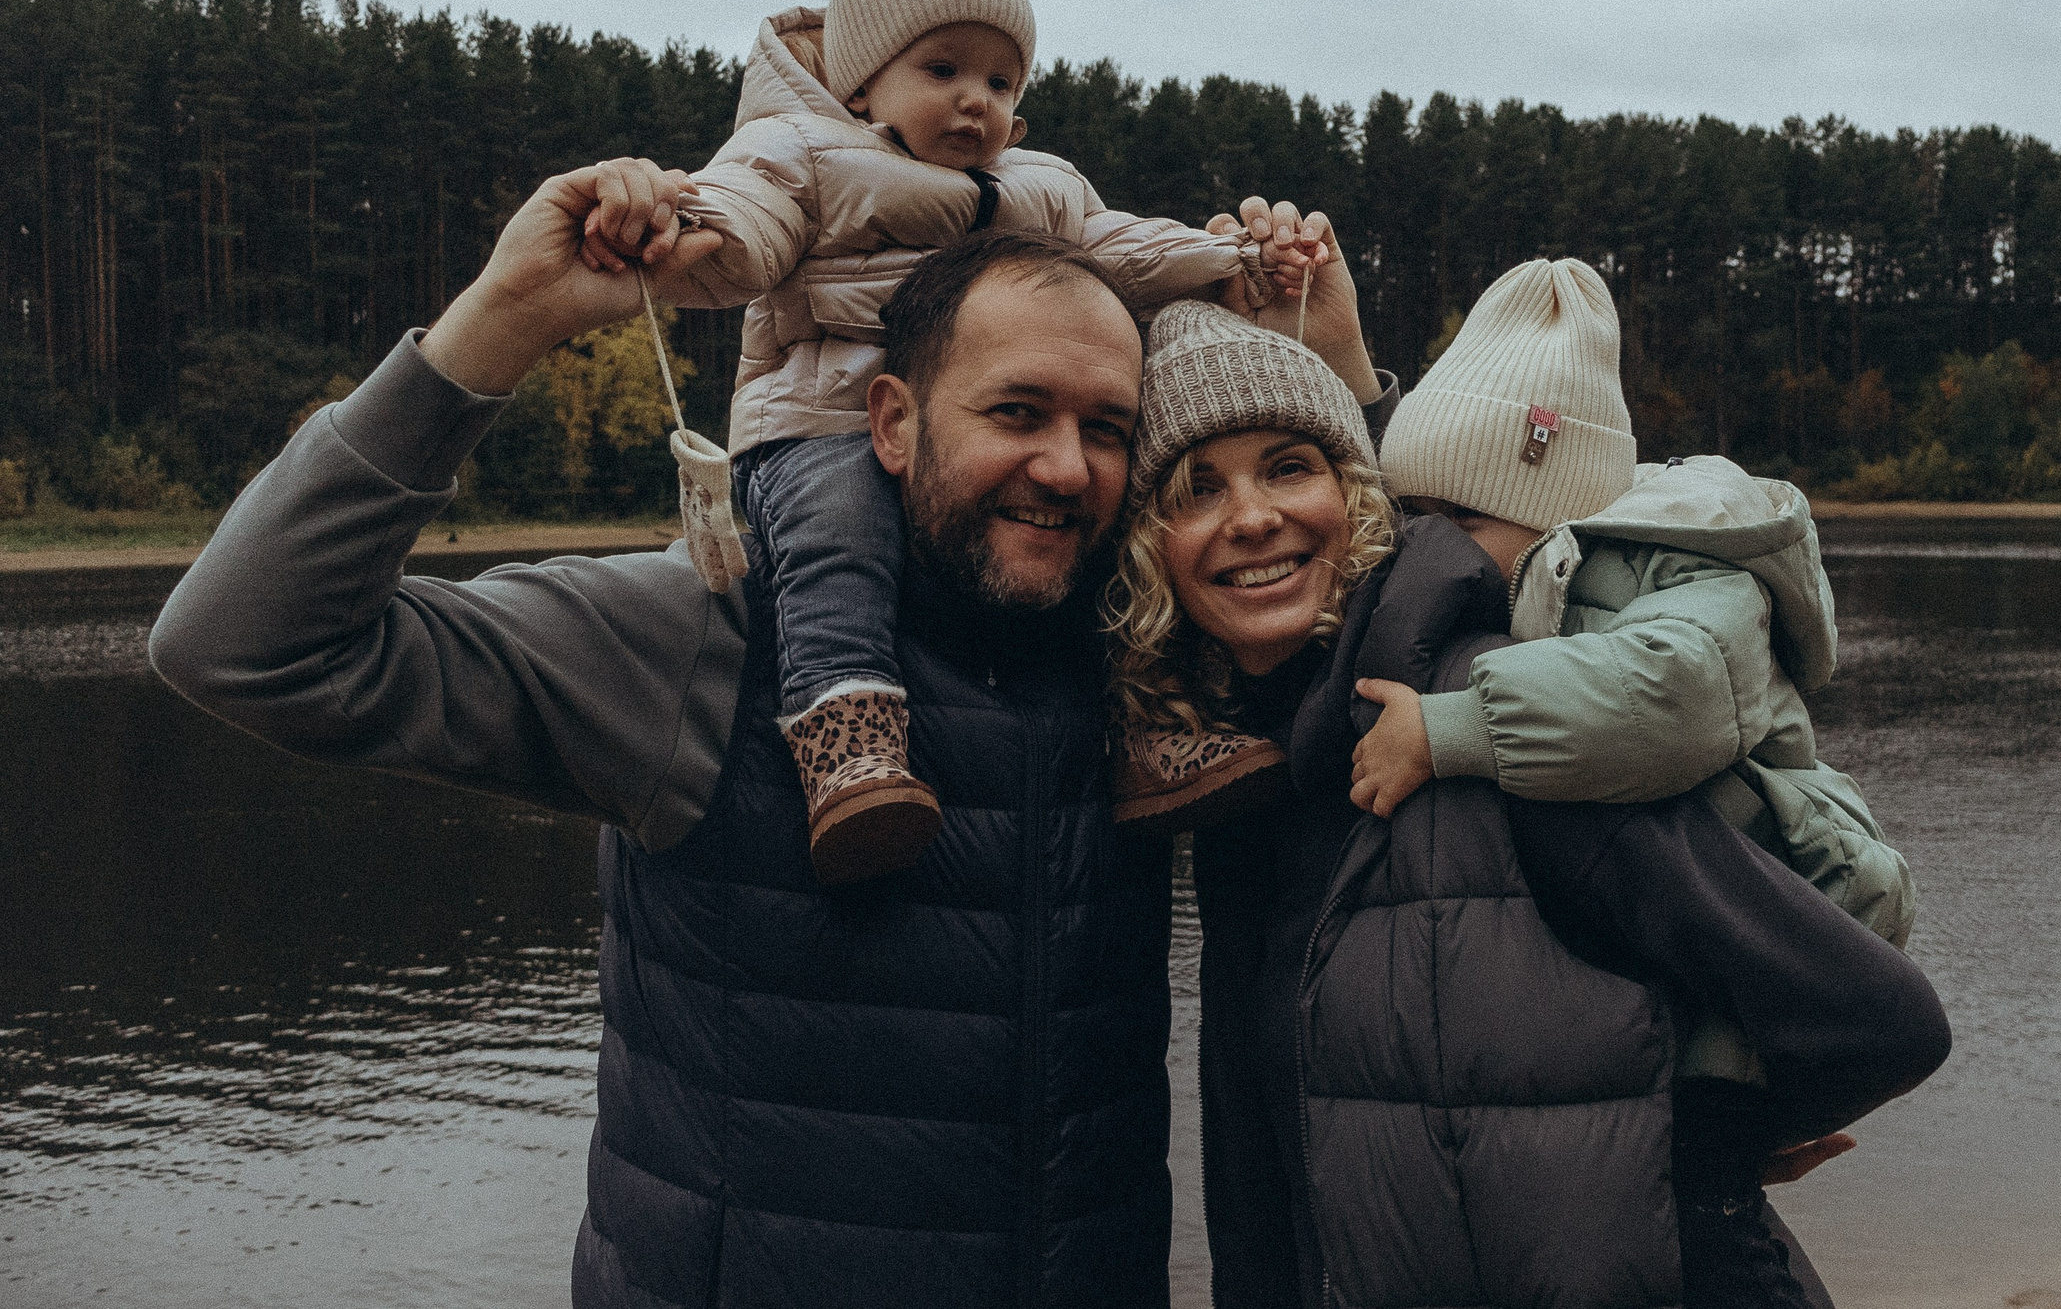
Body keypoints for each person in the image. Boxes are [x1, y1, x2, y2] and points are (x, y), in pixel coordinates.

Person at [149, 161, 1363, 1308]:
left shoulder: (1141, 663)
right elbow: (244, 647)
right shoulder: (707, 637)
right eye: (1016, 411)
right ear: (891, 422)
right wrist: (502, 322)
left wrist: (1343, 366)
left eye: (1107, 427)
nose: (1064, 466)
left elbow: (1412, 612)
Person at [1098, 266, 1951, 1309]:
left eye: (1290, 467)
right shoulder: (1238, 776)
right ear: (1143, 548)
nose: (1251, 518)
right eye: (1194, 489)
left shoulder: (1492, 728)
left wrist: (1710, 1132)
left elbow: (1877, 1015)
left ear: (1354, 499)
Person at [646, 0, 1294, 886]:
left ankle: (1140, 728)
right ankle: (847, 739)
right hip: (822, 422)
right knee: (840, 539)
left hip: (979, 438)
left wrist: (1232, 261)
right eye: (942, 68)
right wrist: (685, 234)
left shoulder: (1039, 186)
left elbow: (1122, 251)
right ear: (864, 83)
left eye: (999, 83)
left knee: (1110, 528)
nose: (973, 102)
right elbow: (749, 222)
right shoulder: (803, 150)